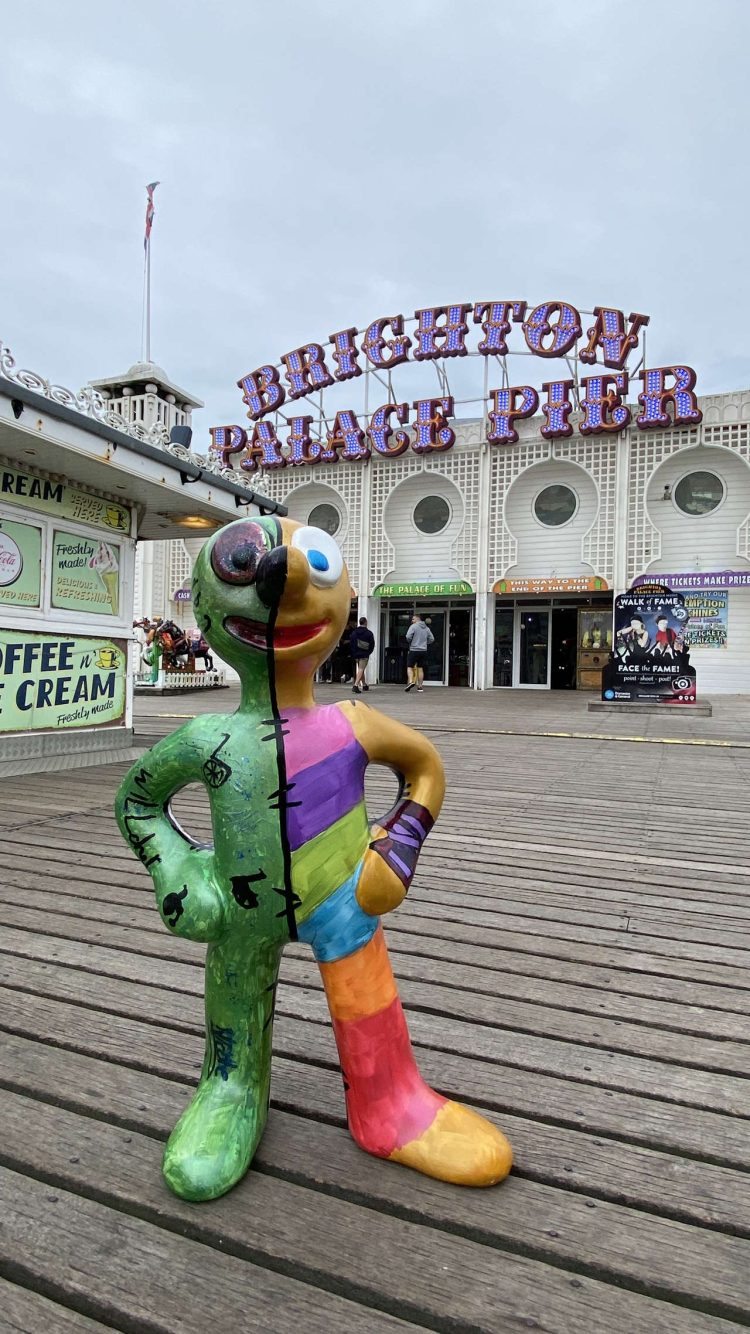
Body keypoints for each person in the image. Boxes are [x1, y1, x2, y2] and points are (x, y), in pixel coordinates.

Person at [405, 613, 434, 692]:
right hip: (423, 651)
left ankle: (411, 681)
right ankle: (420, 686)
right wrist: (425, 643)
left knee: (409, 666)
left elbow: (408, 636)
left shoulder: (413, 626)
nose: (412, 621)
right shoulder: (426, 628)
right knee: (420, 668)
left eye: (413, 619)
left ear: (418, 619)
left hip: (414, 650)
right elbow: (431, 639)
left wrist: (411, 641)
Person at [349, 616, 375, 693]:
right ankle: (355, 685)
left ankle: (364, 685)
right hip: (364, 654)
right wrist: (368, 652)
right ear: (366, 622)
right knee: (361, 669)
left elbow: (352, 643)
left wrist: (354, 653)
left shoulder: (354, 632)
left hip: (356, 654)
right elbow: (372, 644)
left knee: (361, 669)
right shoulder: (369, 633)